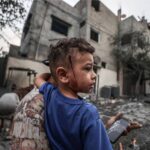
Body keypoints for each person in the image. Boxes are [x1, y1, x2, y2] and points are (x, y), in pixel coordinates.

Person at [35, 38, 113, 150]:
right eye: (88, 68)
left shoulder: (50, 93)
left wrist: (53, 74)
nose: (94, 75)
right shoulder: (88, 113)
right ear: (63, 75)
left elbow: (38, 79)